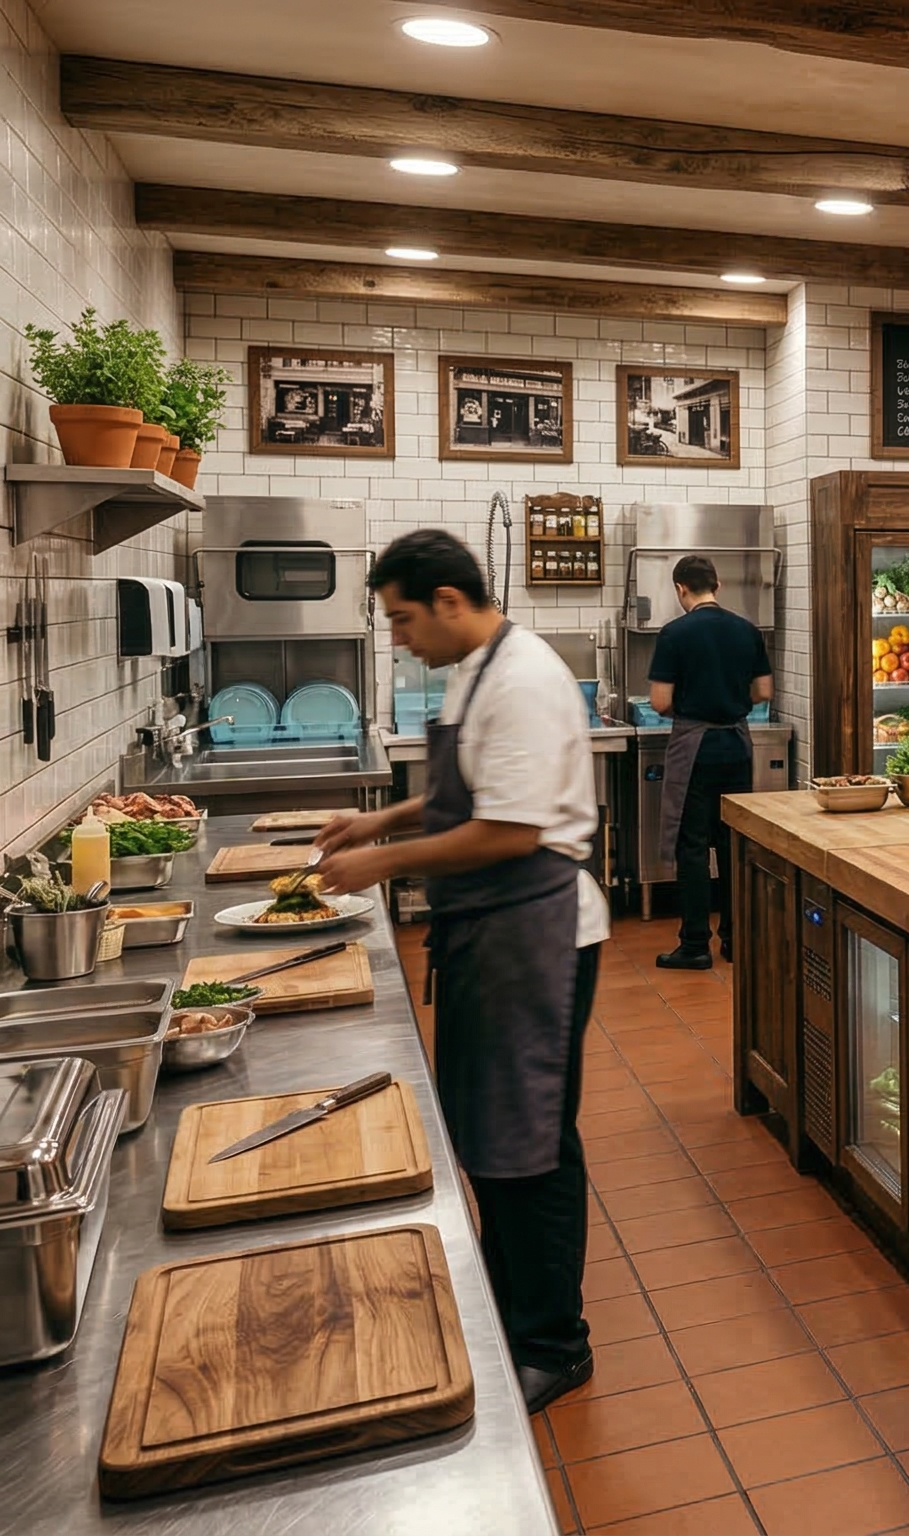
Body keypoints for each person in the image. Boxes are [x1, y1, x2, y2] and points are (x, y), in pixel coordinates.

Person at [314, 530, 609, 1413]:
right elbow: (470, 793)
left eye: (403, 618)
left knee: (532, 1142)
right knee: (492, 1131)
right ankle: (507, 1300)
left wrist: (385, 863)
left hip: (537, 935)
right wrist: (382, 821)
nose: (399, 637)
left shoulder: (522, 680)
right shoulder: (476, 669)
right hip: (493, 929)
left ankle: (556, 1342)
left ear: (449, 601)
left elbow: (512, 830)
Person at [646, 554, 772, 970]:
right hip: (736, 743)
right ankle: (736, 939)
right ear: (717, 587)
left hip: (695, 748)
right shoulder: (747, 630)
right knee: (732, 843)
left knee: (693, 846)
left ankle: (695, 944)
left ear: (680, 588)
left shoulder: (675, 633)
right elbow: (763, 691)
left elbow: (660, 701)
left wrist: (692, 706)